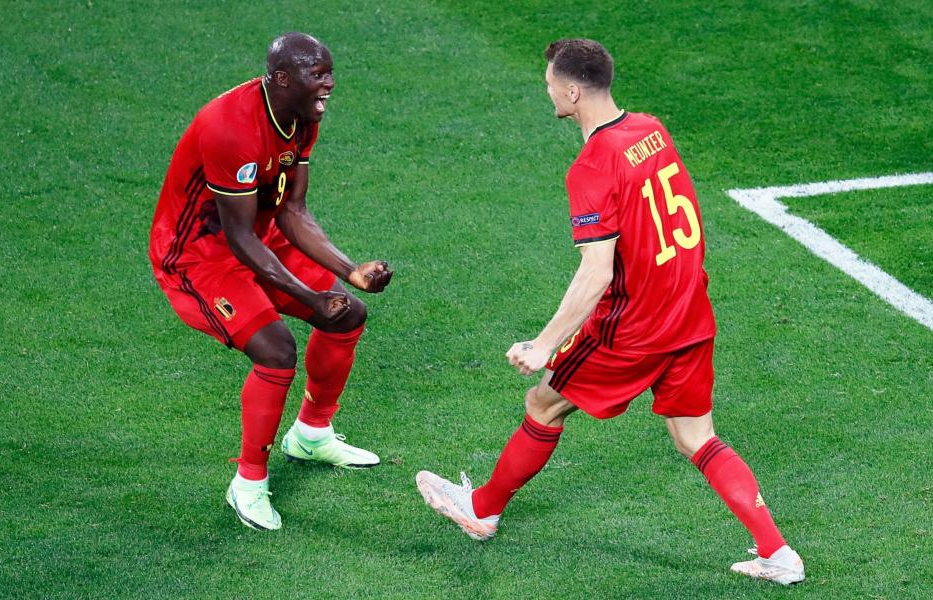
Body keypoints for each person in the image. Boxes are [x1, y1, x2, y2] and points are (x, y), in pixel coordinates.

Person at [415, 38, 804, 585]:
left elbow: (597, 272)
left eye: (550, 81)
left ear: (572, 91)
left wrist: (544, 342)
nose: (546, 88)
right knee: (696, 436)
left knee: (543, 402)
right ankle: (778, 554)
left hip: (635, 326)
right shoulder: (651, 129)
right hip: (689, 313)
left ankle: (481, 509)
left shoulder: (592, 166)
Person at [149, 32, 393, 531]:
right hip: (198, 254)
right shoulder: (231, 128)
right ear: (282, 78)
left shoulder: (302, 116)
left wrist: (349, 273)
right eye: (317, 74)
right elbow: (237, 239)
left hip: (259, 236)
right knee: (276, 349)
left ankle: (311, 433)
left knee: (349, 314)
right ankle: (248, 483)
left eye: (330, 73)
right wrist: (308, 295)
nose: (329, 84)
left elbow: (292, 210)